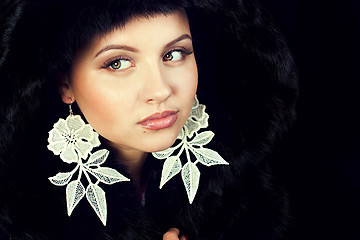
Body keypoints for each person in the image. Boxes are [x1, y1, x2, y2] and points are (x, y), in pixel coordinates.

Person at [0, 0, 298, 239]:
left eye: (174, 54)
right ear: (65, 83)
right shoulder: (20, 214)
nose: (160, 90)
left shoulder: (242, 187)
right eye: (117, 63)